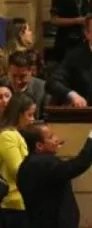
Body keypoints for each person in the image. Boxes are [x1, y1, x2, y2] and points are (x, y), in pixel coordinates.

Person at [17, 114, 92, 228]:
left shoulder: (26, 165)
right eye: (51, 137)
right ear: (39, 146)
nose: (56, 139)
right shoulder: (44, 164)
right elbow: (79, 164)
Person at [0, 93, 37, 227]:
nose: (32, 119)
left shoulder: (17, 135)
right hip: (12, 203)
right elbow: (18, 170)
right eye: (29, 115)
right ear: (18, 114)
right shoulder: (7, 136)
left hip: (22, 201)